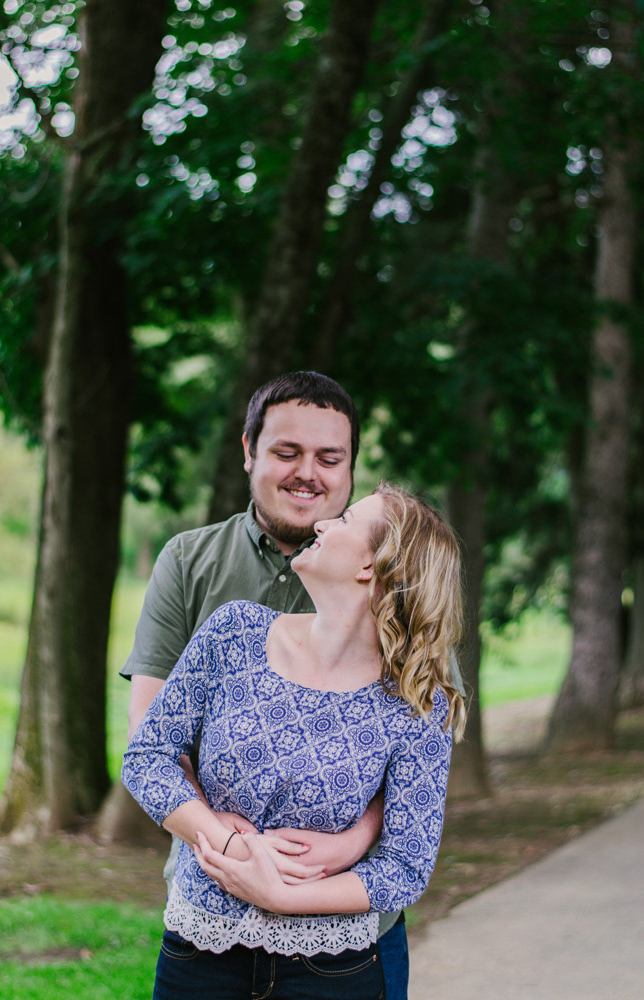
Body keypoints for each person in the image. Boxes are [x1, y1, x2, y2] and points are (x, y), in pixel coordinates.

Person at [121, 371, 464, 998]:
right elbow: (149, 744)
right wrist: (232, 847)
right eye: (287, 452)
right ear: (249, 450)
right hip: (206, 927)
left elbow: (412, 808)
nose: (309, 474)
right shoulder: (203, 581)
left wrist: (347, 845)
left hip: (344, 946)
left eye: (330, 458)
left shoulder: (413, 676)